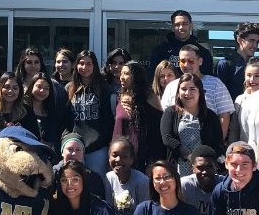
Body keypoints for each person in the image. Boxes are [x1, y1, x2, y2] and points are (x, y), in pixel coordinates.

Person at [159, 44, 235, 141]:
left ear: (200, 61)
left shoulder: (215, 83)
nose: (186, 65)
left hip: (208, 143)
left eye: (191, 61)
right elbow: (166, 117)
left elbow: (224, 115)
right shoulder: (171, 86)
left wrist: (218, 142)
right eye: (183, 61)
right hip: (178, 145)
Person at [160, 73, 223, 177]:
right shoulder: (171, 112)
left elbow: (218, 144)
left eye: (192, 89)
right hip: (178, 167)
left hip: (204, 170)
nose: (187, 93)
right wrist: (189, 156)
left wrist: (204, 159)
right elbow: (167, 138)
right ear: (178, 92)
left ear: (200, 92)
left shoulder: (210, 116)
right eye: (183, 89)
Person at [66, 50, 116, 181]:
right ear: (76, 65)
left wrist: (107, 142)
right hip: (75, 147)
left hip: (98, 148)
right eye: (81, 63)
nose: (85, 67)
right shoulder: (69, 88)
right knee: (76, 181)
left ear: (94, 66)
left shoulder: (104, 89)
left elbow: (109, 119)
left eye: (89, 64)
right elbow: (65, 118)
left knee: (97, 183)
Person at [113, 60, 163, 170]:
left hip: (143, 157)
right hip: (120, 156)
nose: (121, 77)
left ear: (136, 76)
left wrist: (136, 107)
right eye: (121, 73)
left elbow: (156, 129)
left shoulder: (150, 97)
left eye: (126, 74)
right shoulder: (119, 97)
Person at [215, 22, 259, 99]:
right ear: (239, 40)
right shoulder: (225, 64)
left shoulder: (258, 64)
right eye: (251, 40)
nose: (255, 46)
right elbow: (218, 95)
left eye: (257, 42)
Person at [105, 138, 149, 215]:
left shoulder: (142, 181)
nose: (118, 159)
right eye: (114, 155)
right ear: (109, 158)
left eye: (124, 157)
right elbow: (109, 210)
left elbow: (144, 214)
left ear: (131, 160)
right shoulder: (108, 178)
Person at [23, 74, 70, 151]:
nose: (42, 91)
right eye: (39, 86)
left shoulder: (52, 111)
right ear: (31, 87)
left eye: (46, 88)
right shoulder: (22, 109)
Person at [179, 145, 219, 215]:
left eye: (209, 166)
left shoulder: (225, 186)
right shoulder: (184, 186)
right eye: (200, 167)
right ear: (193, 168)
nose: (205, 172)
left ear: (216, 167)